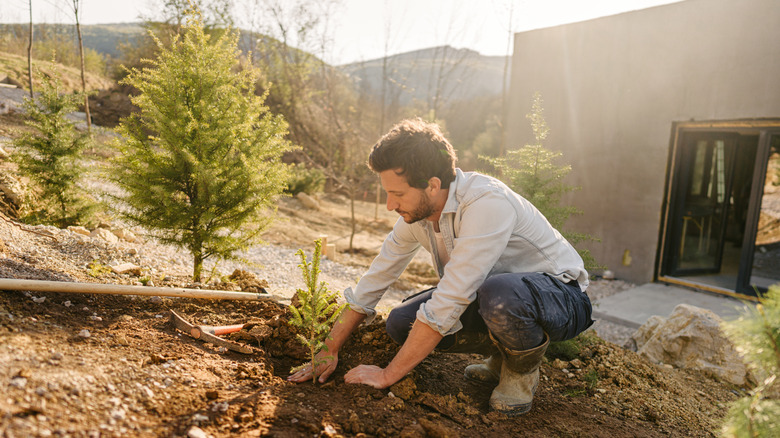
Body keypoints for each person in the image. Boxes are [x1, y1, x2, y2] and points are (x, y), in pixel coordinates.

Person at [288, 118, 593, 416]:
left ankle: (520, 371)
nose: (390, 205)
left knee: (499, 294)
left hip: (561, 297)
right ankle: (500, 355)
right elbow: (374, 281)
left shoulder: (486, 202)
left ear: (432, 185)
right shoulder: (416, 216)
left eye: (397, 194)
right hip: (492, 296)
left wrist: (387, 375)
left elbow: (451, 298)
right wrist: (328, 348)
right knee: (400, 323)